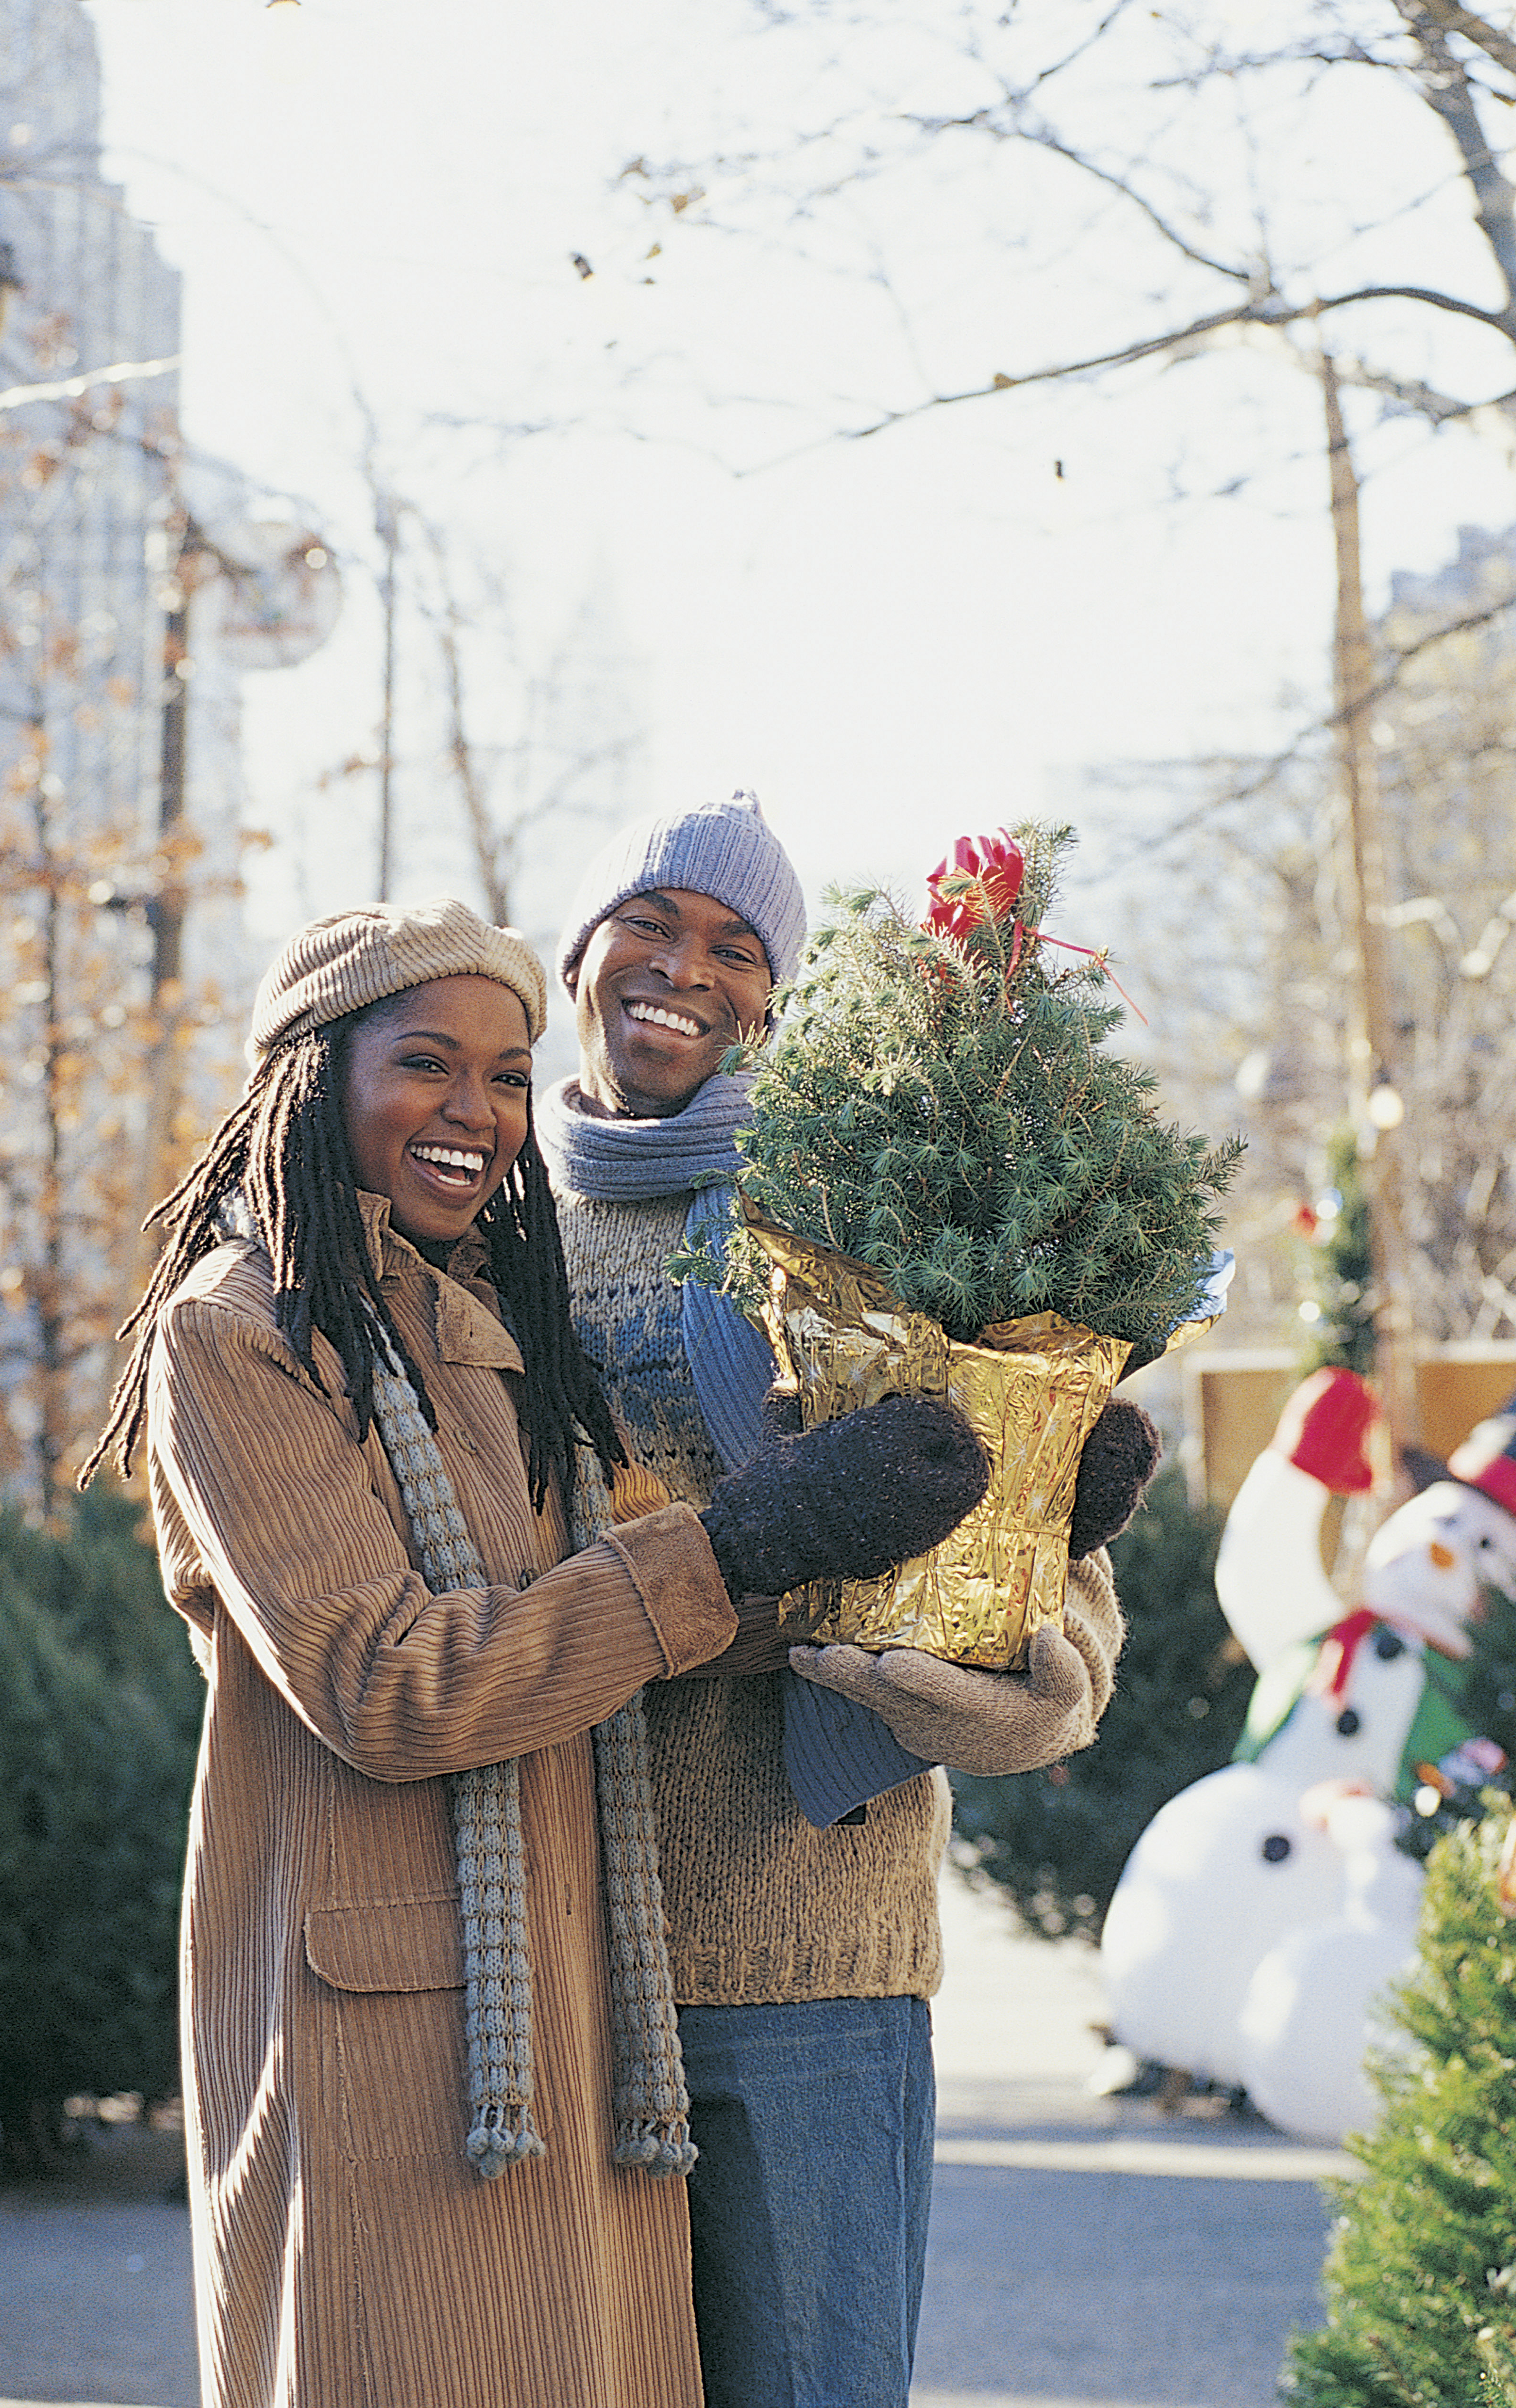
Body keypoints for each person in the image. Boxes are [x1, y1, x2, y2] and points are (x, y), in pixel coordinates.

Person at [81, 895, 989, 2408]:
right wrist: (740, 1541)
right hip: (388, 2043)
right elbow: (392, 1678)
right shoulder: (237, 1334)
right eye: (427, 1063)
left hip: (560, 2017)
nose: (479, 1111)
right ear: (315, 1076)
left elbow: (616, 1616)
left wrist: (927, 1518)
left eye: (507, 1075)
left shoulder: (490, 1326)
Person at [535, 795, 1148, 2408]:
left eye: (735, 950)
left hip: (804, 1946)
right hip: (535, 1940)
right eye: (650, 927)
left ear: (775, 998)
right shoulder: (487, 1211)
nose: (683, 972)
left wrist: (1005, 1655)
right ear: (581, 953)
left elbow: (1059, 1624)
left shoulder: (859, 1212)